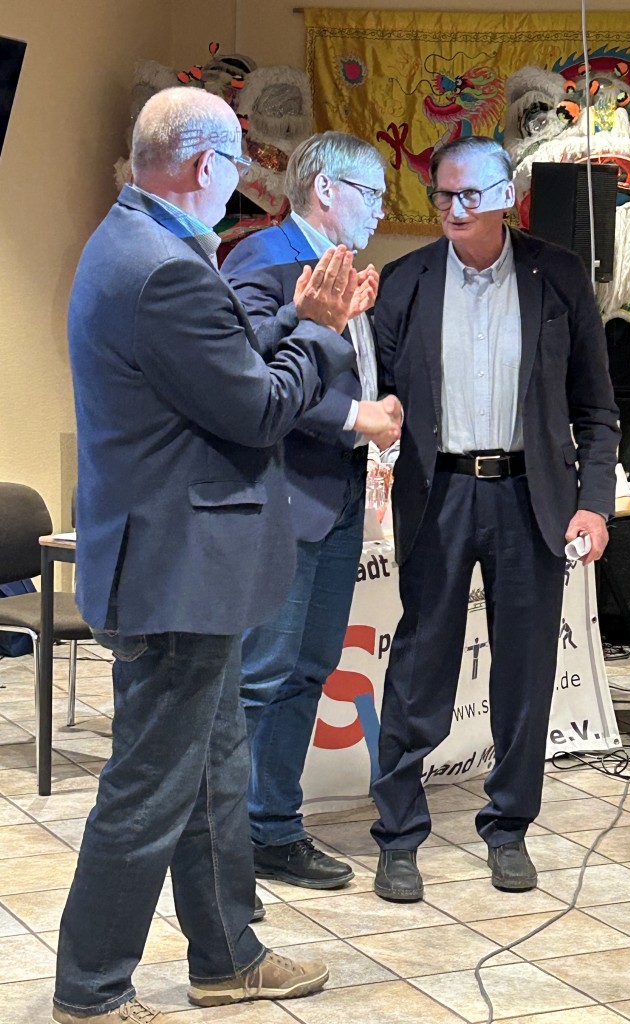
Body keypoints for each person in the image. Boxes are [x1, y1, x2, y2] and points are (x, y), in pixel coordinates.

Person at [53, 88, 362, 1024]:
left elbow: (219, 363)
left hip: (187, 566)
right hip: (176, 569)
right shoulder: (166, 267)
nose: (240, 182)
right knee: (150, 787)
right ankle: (91, 991)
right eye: (236, 165)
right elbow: (257, 408)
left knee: (214, 774)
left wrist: (290, 319)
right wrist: (321, 330)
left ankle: (228, 957)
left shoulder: (135, 239)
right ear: (203, 166)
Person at [369, 136, 620, 902]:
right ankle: (398, 836)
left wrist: (594, 501)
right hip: (438, 493)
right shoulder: (405, 281)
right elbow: (376, 394)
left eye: (470, 194)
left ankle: (508, 829)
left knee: (524, 673)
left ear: (506, 196)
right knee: (420, 668)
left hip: (529, 497)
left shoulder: (558, 276)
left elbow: (596, 408)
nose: (454, 207)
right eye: (443, 194)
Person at [222, 131, 400, 891]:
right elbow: (249, 380)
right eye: (373, 194)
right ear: (326, 189)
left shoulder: (343, 268)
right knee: (260, 678)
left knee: (308, 671)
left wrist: (380, 423)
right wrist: (358, 418)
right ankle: (223, 842)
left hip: (337, 498)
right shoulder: (262, 260)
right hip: (280, 500)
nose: (383, 210)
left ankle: (272, 829)